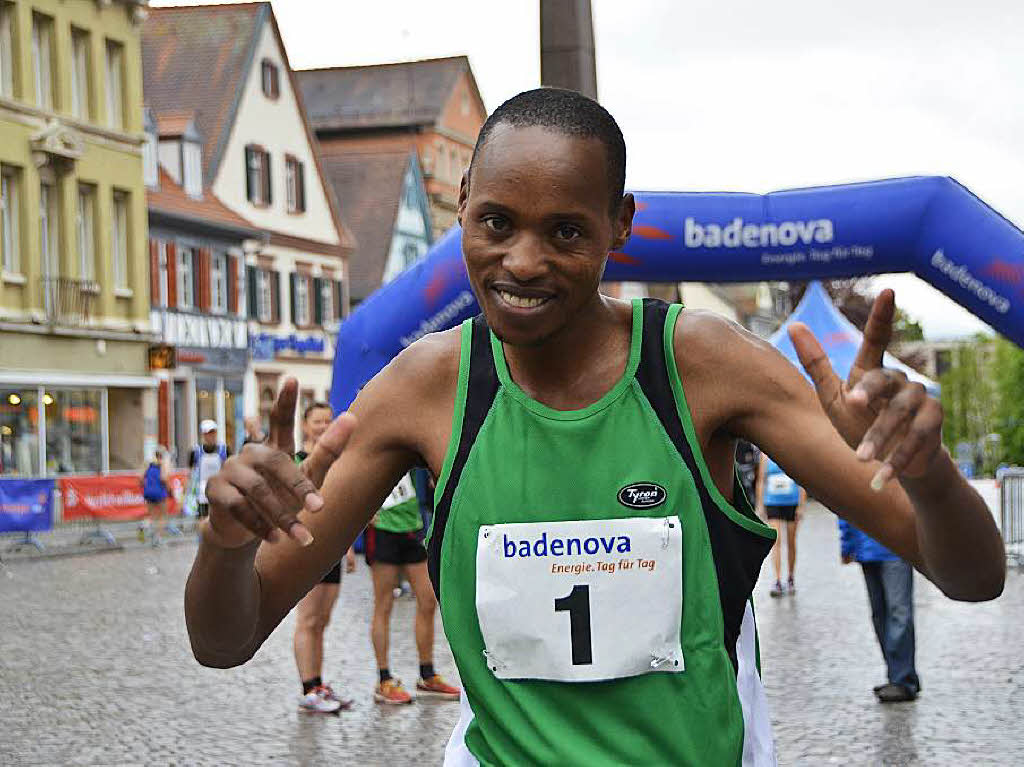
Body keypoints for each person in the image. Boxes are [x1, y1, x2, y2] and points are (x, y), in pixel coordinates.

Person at [186, 89, 1004, 766]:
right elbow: (227, 639)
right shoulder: (426, 385)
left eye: (566, 231)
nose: (524, 261)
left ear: (620, 223)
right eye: (497, 223)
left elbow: (970, 576)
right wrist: (223, 544)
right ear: (462, 205)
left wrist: (927, 473)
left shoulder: (701, 364)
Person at [365, 473, 460, 704]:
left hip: (412, 526)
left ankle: (427, 675)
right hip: (383, 528)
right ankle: (383, 679)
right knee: (384, 604)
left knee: (428, 600)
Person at [291, 402, 356, 714]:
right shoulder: (297, 461)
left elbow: (338, 507)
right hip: (307, 550)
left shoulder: (336, 461)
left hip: (332, 548)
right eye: (317, 421)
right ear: (305, 425)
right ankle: (308, 689)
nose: (323, 425)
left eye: (328, 420)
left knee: (322, 621)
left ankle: (319, 684)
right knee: (308, 619)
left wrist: (348, 547)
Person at [839, 519, 921, 703]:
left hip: (896, 549)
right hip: (867, 549)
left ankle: (903, 680)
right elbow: (845, 505)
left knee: (898, 613)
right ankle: (899, 675)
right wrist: (848, 544)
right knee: (880, 615)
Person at [756, 453, 806, 597]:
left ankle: (790, 577)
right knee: (776, 541)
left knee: (791, 542)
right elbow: (761, 480)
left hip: (791, 502)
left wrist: (801, 505)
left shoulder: (792, 452)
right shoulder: (764, 456)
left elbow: (802, 481)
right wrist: (760, 504)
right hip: (772, 502)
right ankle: (777, 579)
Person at [188, 420, 228, 519]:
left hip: (219, 490)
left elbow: (229, 470)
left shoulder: (224, 450)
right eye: (208, 433)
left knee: (219, 519)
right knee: (203, 519)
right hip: (202, 493)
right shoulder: (196, 451)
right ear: (203, 435)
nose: (211, 436)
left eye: (213, 432)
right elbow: (190, 472)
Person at [140, 446, 170, 545]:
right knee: (162, 516)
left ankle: (145, 525)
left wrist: (146, 486)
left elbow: (140, 478)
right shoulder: (163, 464)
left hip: (148, 491)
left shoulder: (148, 464)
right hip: (160, 491)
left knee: (152, 515)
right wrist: (169, 489)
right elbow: (163, 478)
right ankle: (158, 538)